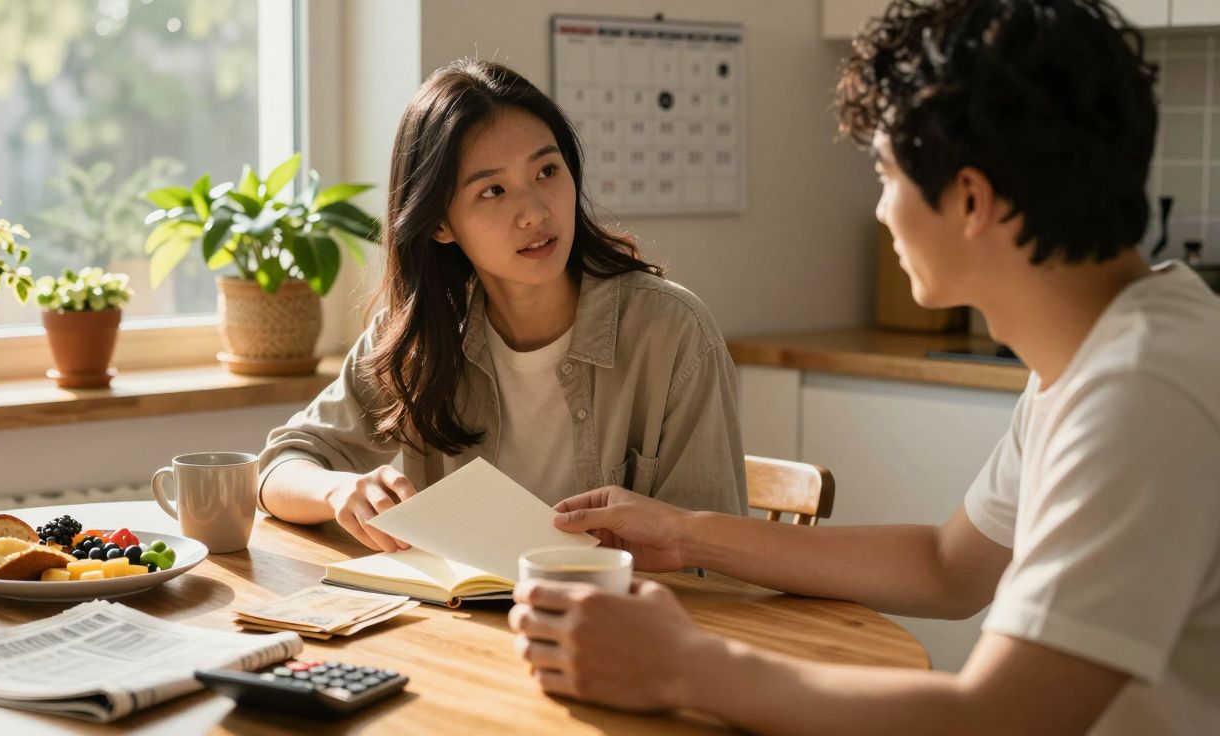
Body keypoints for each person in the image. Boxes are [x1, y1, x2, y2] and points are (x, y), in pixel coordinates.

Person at [509, 2, 1220, 733]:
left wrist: (683, 664)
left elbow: (999, 718)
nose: (882, 211)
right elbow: (948, 566)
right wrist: (686, 533)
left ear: (971, 199)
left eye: (886, 175)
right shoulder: (1107, 349)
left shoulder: (1139, 392)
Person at [257, 59, 747, 552]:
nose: (535, 211)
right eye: (493, 190)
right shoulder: (420, 336)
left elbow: (716, 560)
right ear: (440, 224)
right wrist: (340, 489)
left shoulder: (673, 333)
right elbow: (281, 463)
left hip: (618, 621)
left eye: (547, 171)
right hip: (461, 624)